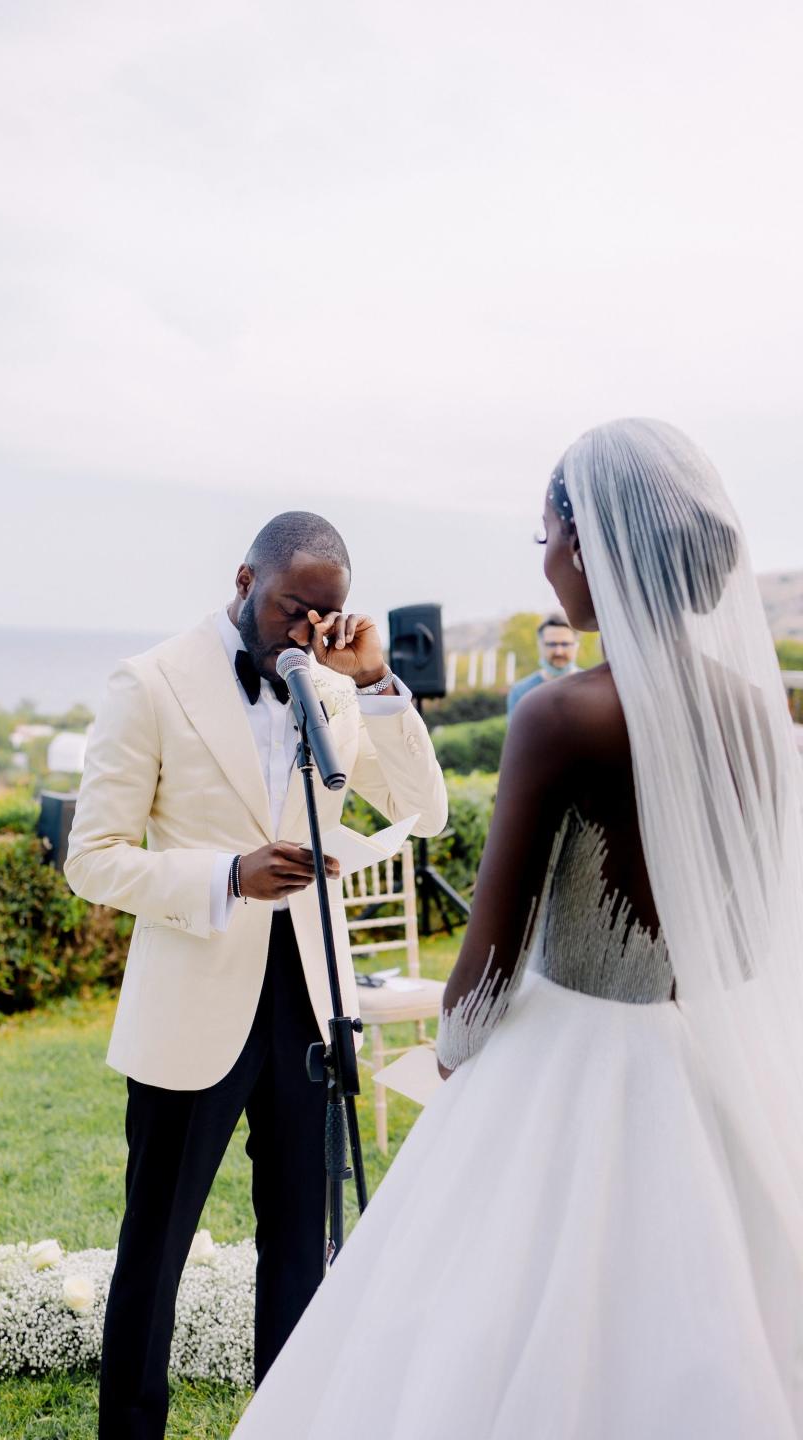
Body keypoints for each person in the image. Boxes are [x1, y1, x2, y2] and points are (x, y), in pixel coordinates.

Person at [231, 421, 803, 1439]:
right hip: (707, 1056)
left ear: (586, 547)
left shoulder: (564, 715)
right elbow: (752, 927)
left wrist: (458, 1058)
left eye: (543, 533)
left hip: (569, 1056)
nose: (542, 558)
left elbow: (490, 956)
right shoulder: (761, 713)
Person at [63, 510, 448, 1439]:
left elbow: (426, 810)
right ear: (243, 581)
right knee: (154, 1247)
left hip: (310, 1004)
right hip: (193, 1001)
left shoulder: (336, 687)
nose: (305, 632)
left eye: (327, 615)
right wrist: (225, 875)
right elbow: (93, 857)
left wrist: (376, 683)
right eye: (292, 608)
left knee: (299, 1246)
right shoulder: (149, 683)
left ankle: (288, 1421)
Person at [505, 612, 579, 719]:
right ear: (540, 646)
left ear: (576, 645)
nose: (559, 652)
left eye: (565, 644)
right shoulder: (520, 692)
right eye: (552, 644)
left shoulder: (593, 687)